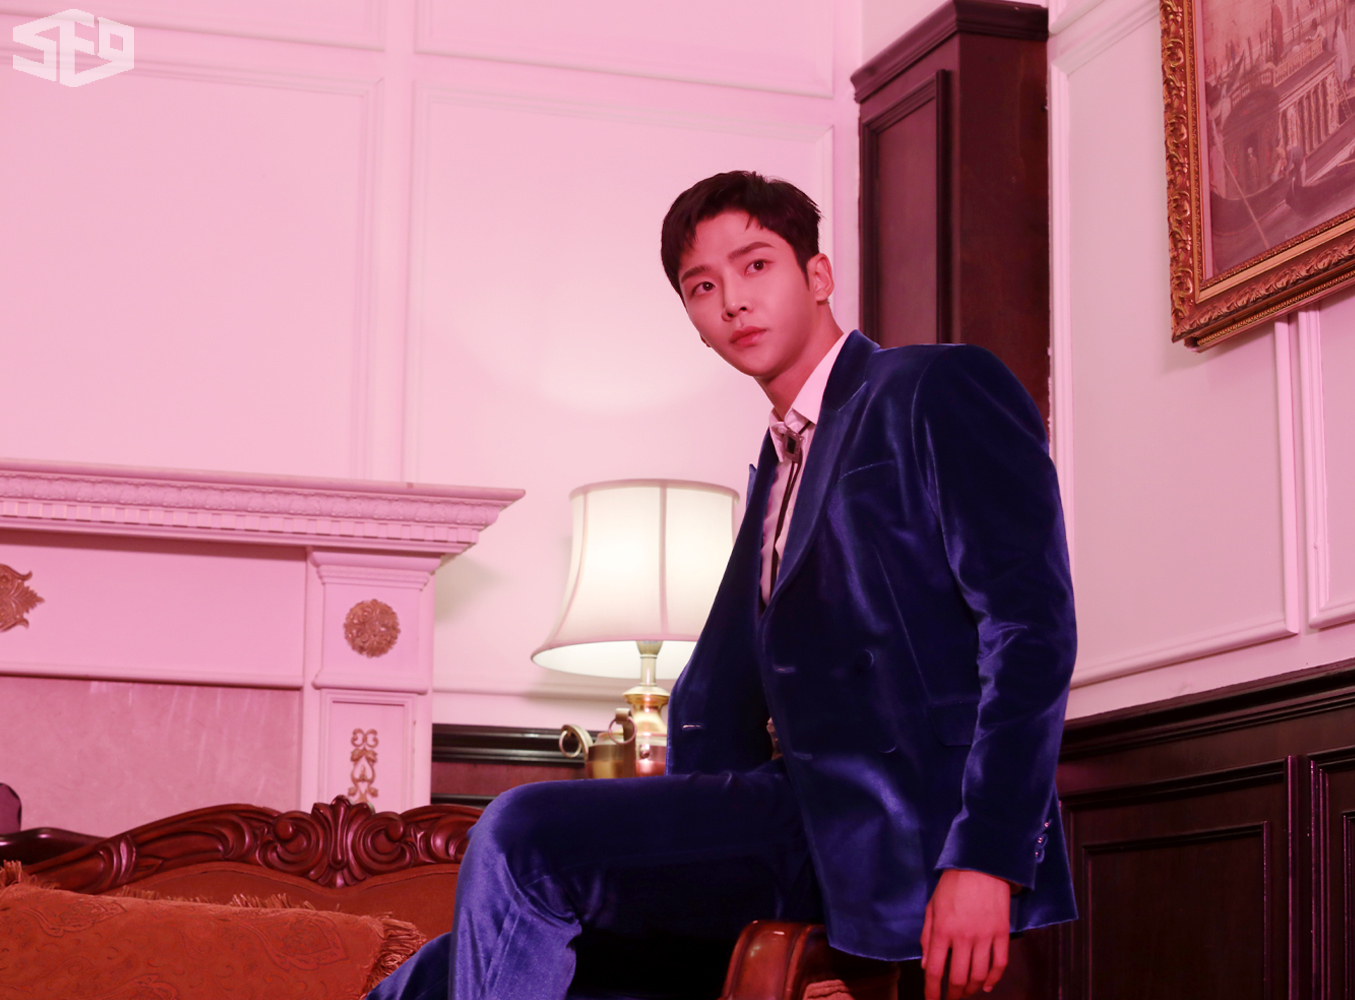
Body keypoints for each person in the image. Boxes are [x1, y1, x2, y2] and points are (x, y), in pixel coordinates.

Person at [367, 171, 1076, 1000]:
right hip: (794, 820)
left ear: (818, 275)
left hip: (903, 827)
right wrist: (668, 822)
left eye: (756, 265)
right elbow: (728, 686)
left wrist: (987, 856)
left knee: (522, 831)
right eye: (702, 287)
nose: (732, 301)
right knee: (435, 973)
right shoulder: (780, 460)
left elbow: (1031, 629)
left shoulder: (929, 389)